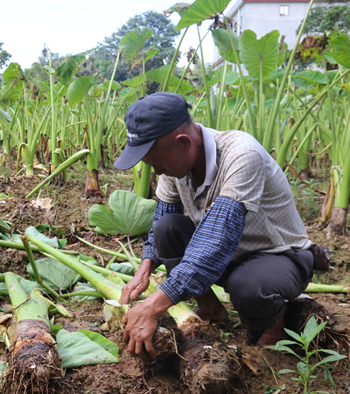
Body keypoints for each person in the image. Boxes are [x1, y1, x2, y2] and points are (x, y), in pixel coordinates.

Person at [114, 92, 329, 357]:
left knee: (250, 287)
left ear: (183, 142)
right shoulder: (175, 165)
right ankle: (212, 310)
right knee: (167, 228)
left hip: (279, 256)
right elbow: (162, 218)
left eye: (158, 164)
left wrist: (151, 307)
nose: (157, 172)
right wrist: (145, 267)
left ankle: (271, 331)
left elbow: (217, 240)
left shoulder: (242, 154)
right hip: (228, 257)